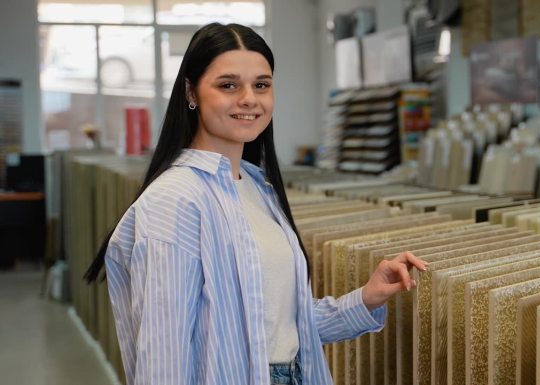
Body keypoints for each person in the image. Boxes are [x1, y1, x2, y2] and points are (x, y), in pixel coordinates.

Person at [85, 22, 427, 385]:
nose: (249, 98)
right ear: (191, 92)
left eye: (261, 85)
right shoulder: (174, 201)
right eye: (228, 85)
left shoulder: (256, 186)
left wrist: (366, 298)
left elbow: (278, 329)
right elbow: (163, 359)